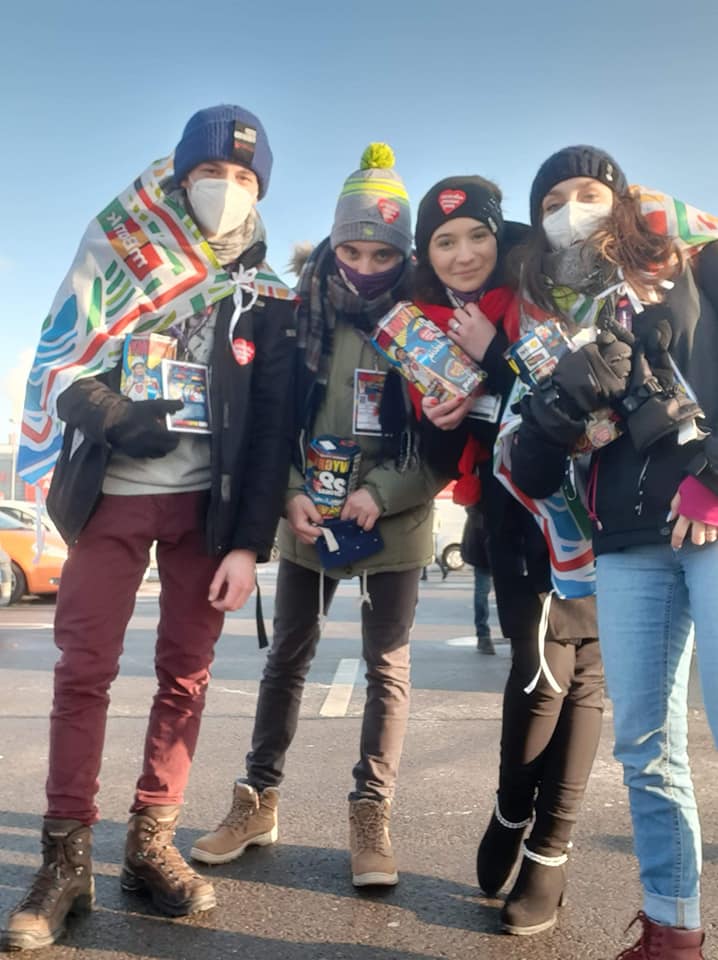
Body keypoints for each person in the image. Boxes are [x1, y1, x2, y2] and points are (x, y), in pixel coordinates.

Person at [4, 104, 296, 950]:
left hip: (207, 507)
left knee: (187, 675)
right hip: (114, 495)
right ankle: (65, 858)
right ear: (179, 178)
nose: (225, 189)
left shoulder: (267, 295)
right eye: (209, 173)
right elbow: (60, 365)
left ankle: (150, 842)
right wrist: (116, 416)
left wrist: (248, 543)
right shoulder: (124, 255)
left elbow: (272, 425)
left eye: (242, 178)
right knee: (83, 669)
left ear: (261, 191)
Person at [191, 144, 447, 888]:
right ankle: (257, 799)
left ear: (403, 254)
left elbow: (447, 441)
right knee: (287, 658)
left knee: (387, 668)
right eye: (351, 249)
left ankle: (371, 811)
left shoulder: (424, 322)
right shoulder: (297, 310)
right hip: (306, 512)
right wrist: (290, 490)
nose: (365, 266)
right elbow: (271, 415)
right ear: (332, 244)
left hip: (393, 518)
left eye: (382, 252)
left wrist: (384, 493)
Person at [507, 145, 718, 958]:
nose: (572, 209)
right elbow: (528, 468)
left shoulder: (691, 264)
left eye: (588, 191)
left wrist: (712, 482)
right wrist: (561, 406)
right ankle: (671, 925)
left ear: (624, 201)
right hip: (627, 545)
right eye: (552, 199)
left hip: (709, 522)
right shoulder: (554, 322)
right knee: (645, 747)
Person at [412, 175, 603, 936]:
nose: (464, 254)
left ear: (503, 237)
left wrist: (494, 356)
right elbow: (442, 448)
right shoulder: (423, 320)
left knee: (584, 680)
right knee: (539, 673)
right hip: (511, 517)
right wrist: (439, 410)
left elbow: (578, 390)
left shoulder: (543, 289)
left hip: (595, 510)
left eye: (477, 236)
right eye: (445, 241)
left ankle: (549, 853)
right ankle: (511, 808)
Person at [460, 502, 495, 653]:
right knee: (483, 592)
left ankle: (484, 636)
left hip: (491, 547)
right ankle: (484, 635)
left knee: (482, 593)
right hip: (485, 548)